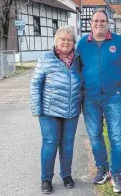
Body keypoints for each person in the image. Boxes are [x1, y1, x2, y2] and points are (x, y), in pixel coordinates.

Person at [76, 9, 121, 193]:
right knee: (95, 135)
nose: (99, 24)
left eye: (102, 21)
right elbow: (76, 69)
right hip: (90, 99)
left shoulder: (119, 42)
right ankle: (102, 168)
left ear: (108, 23)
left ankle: (117, 173)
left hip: (113, 98)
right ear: (91, 23)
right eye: (96, 21)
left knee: (116, 137)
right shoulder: (83, 44)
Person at [30, 26, 82, 194]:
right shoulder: (46, 59)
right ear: (56, 41)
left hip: (71, 110)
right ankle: (46, 179)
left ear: (74, 43)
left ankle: (66, 175)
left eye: (69, 40)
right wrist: (36, 107)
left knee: (67, 144)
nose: (66, 42)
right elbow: (35, 84)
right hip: (49, 111)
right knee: (50, 143)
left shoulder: (79, 60)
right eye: (63, 39)